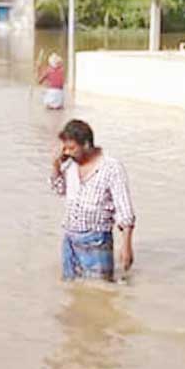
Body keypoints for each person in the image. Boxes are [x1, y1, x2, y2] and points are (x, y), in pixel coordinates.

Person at [50, 120, 136, 282]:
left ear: (87, 145)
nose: (67, 152)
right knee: (72, 290)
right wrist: (56, 166)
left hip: (96, 242)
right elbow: (59, 190)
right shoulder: (69, 165)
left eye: (72, 148)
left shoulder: (111, 168)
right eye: (65, 148)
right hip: (70, 240)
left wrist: (126, 246)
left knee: (98, 292)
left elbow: (125, 210)